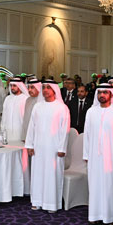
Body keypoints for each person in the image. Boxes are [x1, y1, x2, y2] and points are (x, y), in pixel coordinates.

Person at [83, 84, 113, 225]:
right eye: (100, 92)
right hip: (94, 157)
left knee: (111, 186)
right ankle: (95, 215)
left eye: (105, 92)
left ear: (111, 94)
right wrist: (86, 154)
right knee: (95, 184)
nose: (102, 95)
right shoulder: (91, 112)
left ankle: (112, 217)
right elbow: (87, 135)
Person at [25, 80, 70, 212]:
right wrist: (29, 145)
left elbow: (65, 130)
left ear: (54, 90)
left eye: (48, 87)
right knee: (38, 174)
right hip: (38, 147)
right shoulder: (37, 107)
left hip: (54, 148)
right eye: (44, 87)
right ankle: (37, 201)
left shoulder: (62, 108)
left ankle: (52, 204)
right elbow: (31, 127)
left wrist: (62, 148)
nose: (45, 90)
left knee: (52, 175)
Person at [1, 77, 28, 142]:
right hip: (7, 130)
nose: (12, 88)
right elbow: (4, 115)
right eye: (11, 85)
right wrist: (2, 129)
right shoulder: (7, 99)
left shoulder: (25, 99)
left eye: (14, 86)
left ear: (20, 86)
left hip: (20, 130)